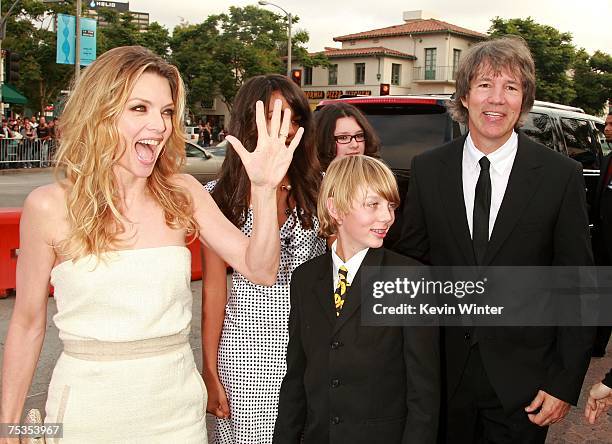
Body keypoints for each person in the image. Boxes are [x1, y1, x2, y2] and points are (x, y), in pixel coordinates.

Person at [0, 46, 301, 444]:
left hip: (177, 412)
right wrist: (9, 427)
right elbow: (26, 323)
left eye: (167, 111)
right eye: (139, 108)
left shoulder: (183, 192)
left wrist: (263, 190)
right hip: (84, 413)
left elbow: (261, 270)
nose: (159, 126)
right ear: (100, 113)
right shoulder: (48, 206)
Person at [394, 36, 594, 443]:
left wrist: (564, 381)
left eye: (511, 87)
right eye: (485, 85)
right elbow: (411, 265)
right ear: (465, 95)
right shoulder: (429, 170)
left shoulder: (559, 176)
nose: (497, 100)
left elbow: (578, 283)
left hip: (524, 386)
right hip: (442, 379)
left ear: (524, 100)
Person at [273, 155, 440, 443]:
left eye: (391, 206)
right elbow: (296, 378)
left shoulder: (410, 278)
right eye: (373, 204)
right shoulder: (305, 278)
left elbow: (423, 395)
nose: (387, 216)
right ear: (335, 208)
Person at [201, 74, 325, 444]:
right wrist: (210, 371)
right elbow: (213, 291)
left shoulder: (318, 189)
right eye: (272, 117)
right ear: (247, 122)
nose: (284, 129)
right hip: (246, 355)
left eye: (293, 118)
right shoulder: (219, 197)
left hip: (311, 346)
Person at [592, 111, 612, 357]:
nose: (606, 128)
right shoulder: (606, 160)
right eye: (606, 123)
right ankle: (596, 342)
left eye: (611, 124)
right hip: (603, 243)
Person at [314, 102, 380, 171]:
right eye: (343, 137)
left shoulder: (379, 177)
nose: (355, 145)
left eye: (359, 136)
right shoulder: (311, 179)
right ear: (324, 141)